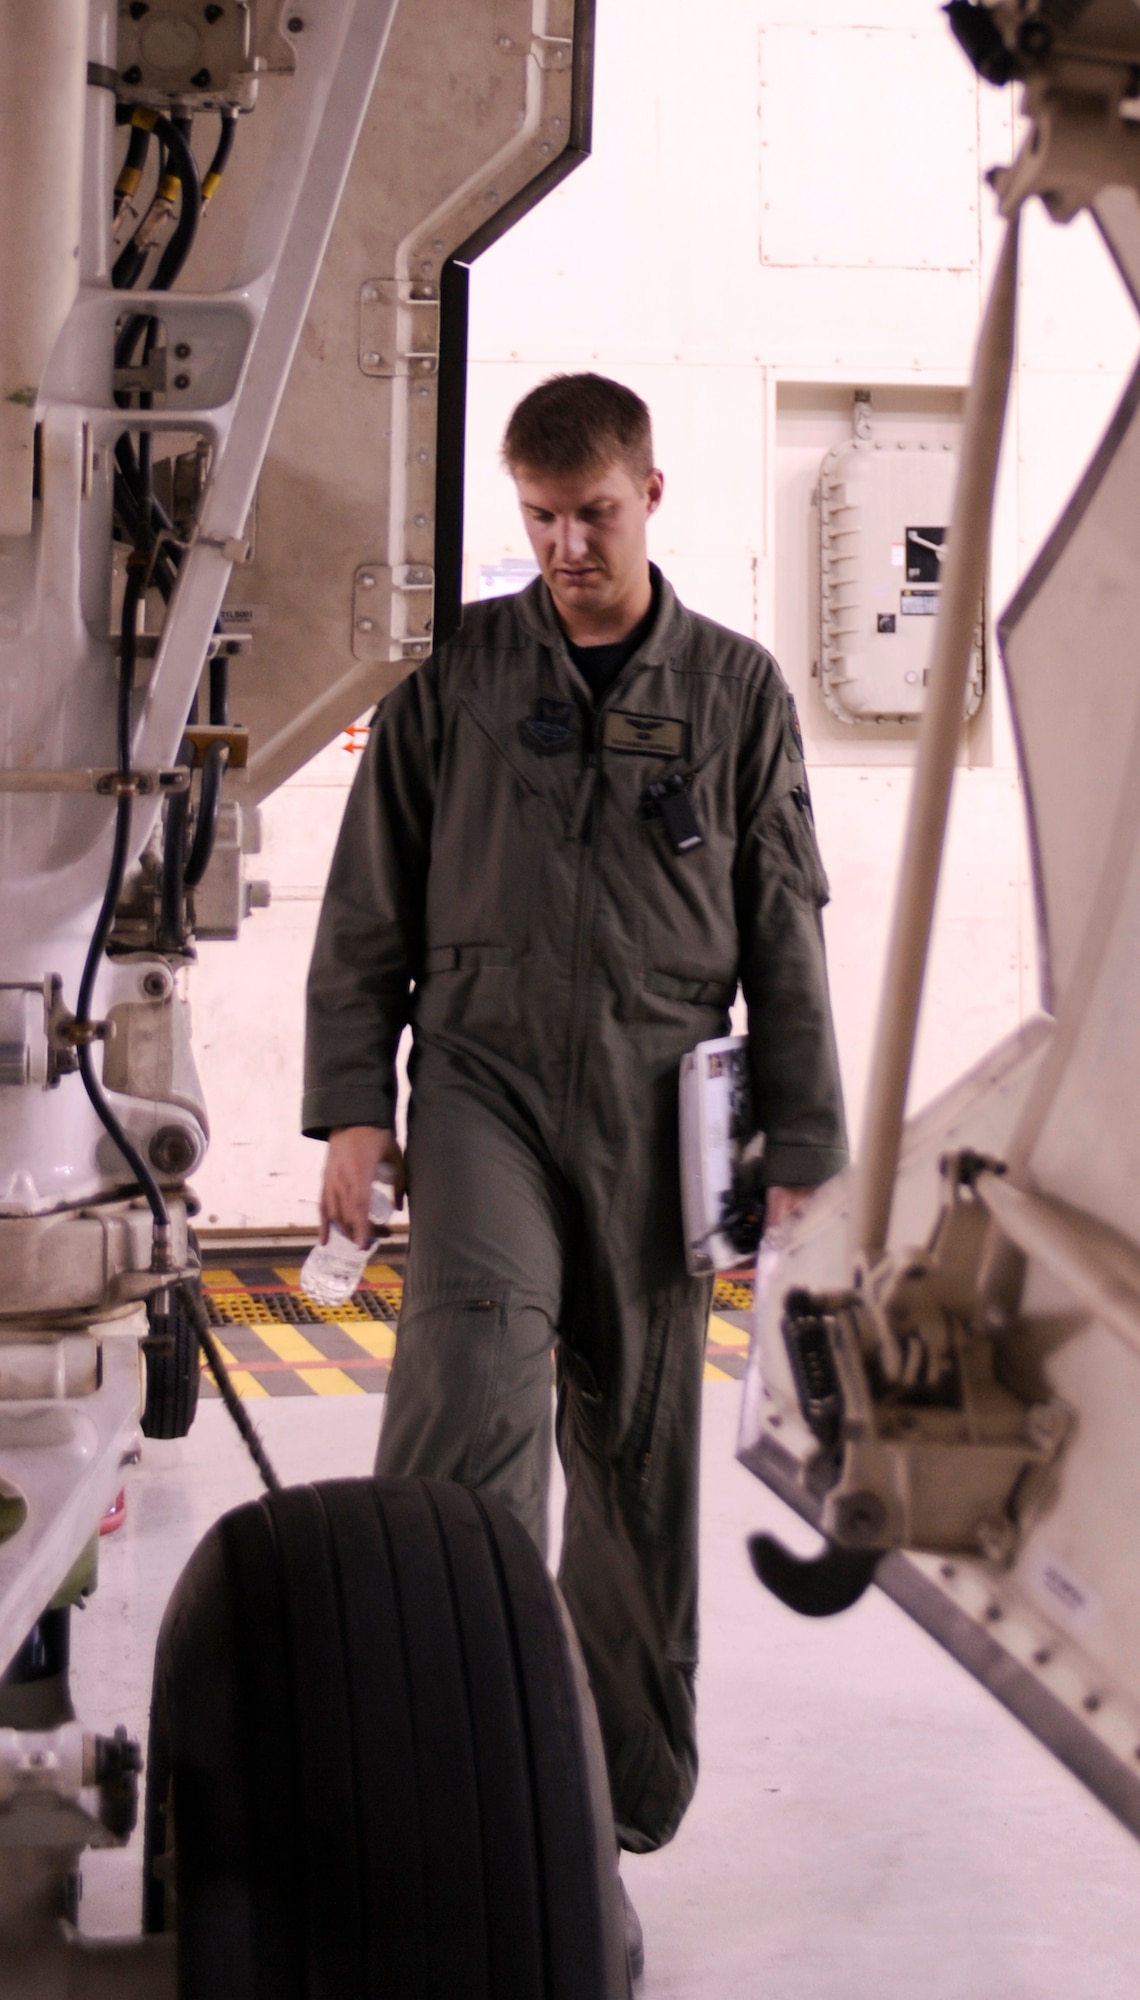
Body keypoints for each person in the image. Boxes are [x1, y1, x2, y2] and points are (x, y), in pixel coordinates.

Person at [303, 373, 847, 1870]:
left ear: (650, 496)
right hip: (480, 1078)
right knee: (470, 1385)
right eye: (539, 519)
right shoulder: (458, 678)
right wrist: (355, 1107)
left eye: (592, 514)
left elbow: (784, 927)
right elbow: (367, 904)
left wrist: (800, 1142)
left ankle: (609, 1801)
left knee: (637, 1444)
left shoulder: (735, 693)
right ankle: (433, 1769)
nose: (565, 547)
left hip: (661, 1095)